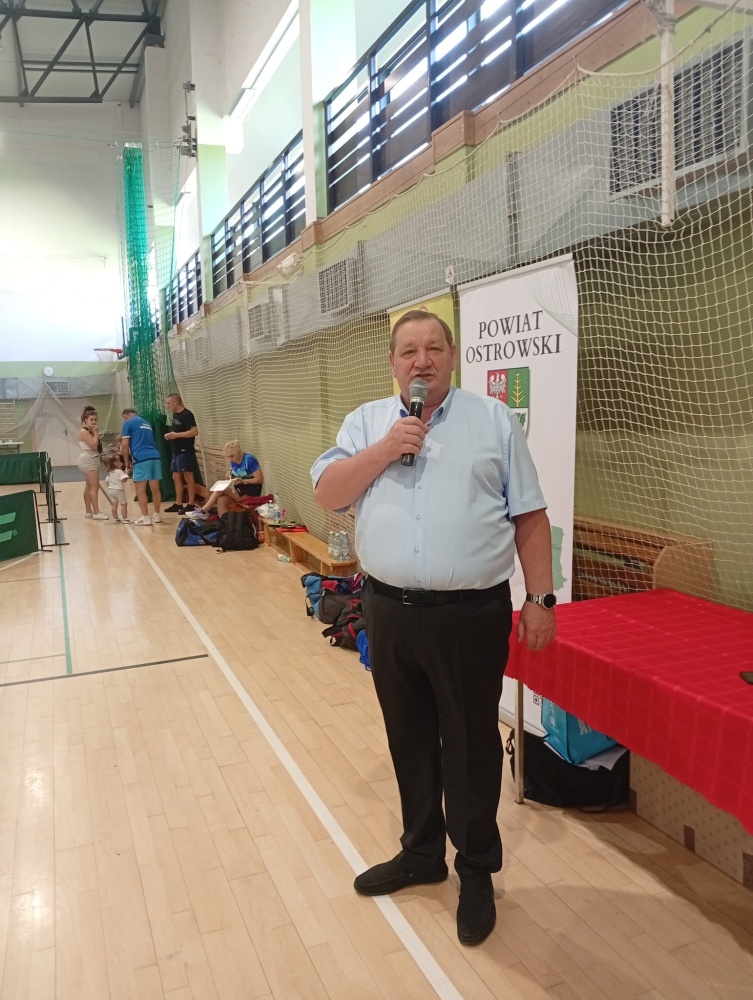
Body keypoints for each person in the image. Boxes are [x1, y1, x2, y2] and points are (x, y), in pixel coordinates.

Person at [310, 309, 557, 947]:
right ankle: (421, 852)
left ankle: (475, 869)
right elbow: (329, 493)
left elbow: (529, 515)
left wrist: (541, 598)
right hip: (388, 610)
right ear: (393, 363)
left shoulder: (493, 420)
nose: (421, 360)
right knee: (410, 737)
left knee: (471, 745)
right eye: (408, 350)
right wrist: (386, 448)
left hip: (470, 616)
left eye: (433, 348)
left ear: (452, 355)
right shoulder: (366, 422)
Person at [187, 439, 263, 520]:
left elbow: (259, 479)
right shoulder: (233, 461)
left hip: (250, 490)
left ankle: (203, 511)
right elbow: (234, 474)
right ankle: (224, 524)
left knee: (220, 490)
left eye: (232, 456)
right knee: (221, 500)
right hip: (238, 488)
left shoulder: (249, 460)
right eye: (228, 456)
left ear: (239, 452)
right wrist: (229, 475)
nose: (230, 459)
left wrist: (243, 481)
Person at [120, 408, 163, 526]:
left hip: (141, 458)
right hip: (155, 456)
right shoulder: (146, 423)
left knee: (140, 488)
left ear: (125, 416)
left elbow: (125, 444)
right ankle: (157, 515)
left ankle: (145, 517)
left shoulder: (128, 423)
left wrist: (126, 461)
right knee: (155, 488)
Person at [164, 392, 199, 513]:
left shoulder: (187, 414)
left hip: (185, 450)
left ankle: (191, 504)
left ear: (175, 402)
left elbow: (194, 431)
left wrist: (177, 435)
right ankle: (178, 503)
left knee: (188, 476)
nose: (167, 405)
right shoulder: (175, 415)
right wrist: (170, 436)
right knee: (175, 476)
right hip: (176, 451)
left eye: (168, 403)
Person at [78, 405, 108, 520]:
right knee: (95, 487)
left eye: (95, 419)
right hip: (88, 461)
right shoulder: (84, 432)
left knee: (89, 486)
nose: (94, 422)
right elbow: (93, 445)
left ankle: (88, 511)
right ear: (85, 420)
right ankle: (96, 512)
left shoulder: (90, 431)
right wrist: (96, 433)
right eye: (91, 419)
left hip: (92, 459)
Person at [103, 452, 130, 523]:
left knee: (114, 504)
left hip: (111, 490)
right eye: (118, 461)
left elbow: (107, 481)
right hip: (119, 490)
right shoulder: (119, 472)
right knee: (124, 504)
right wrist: (126, 474)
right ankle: (125, 518)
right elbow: (123, 480)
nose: (120, 463)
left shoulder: (109, 472)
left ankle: (115, 518)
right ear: (115, 463)